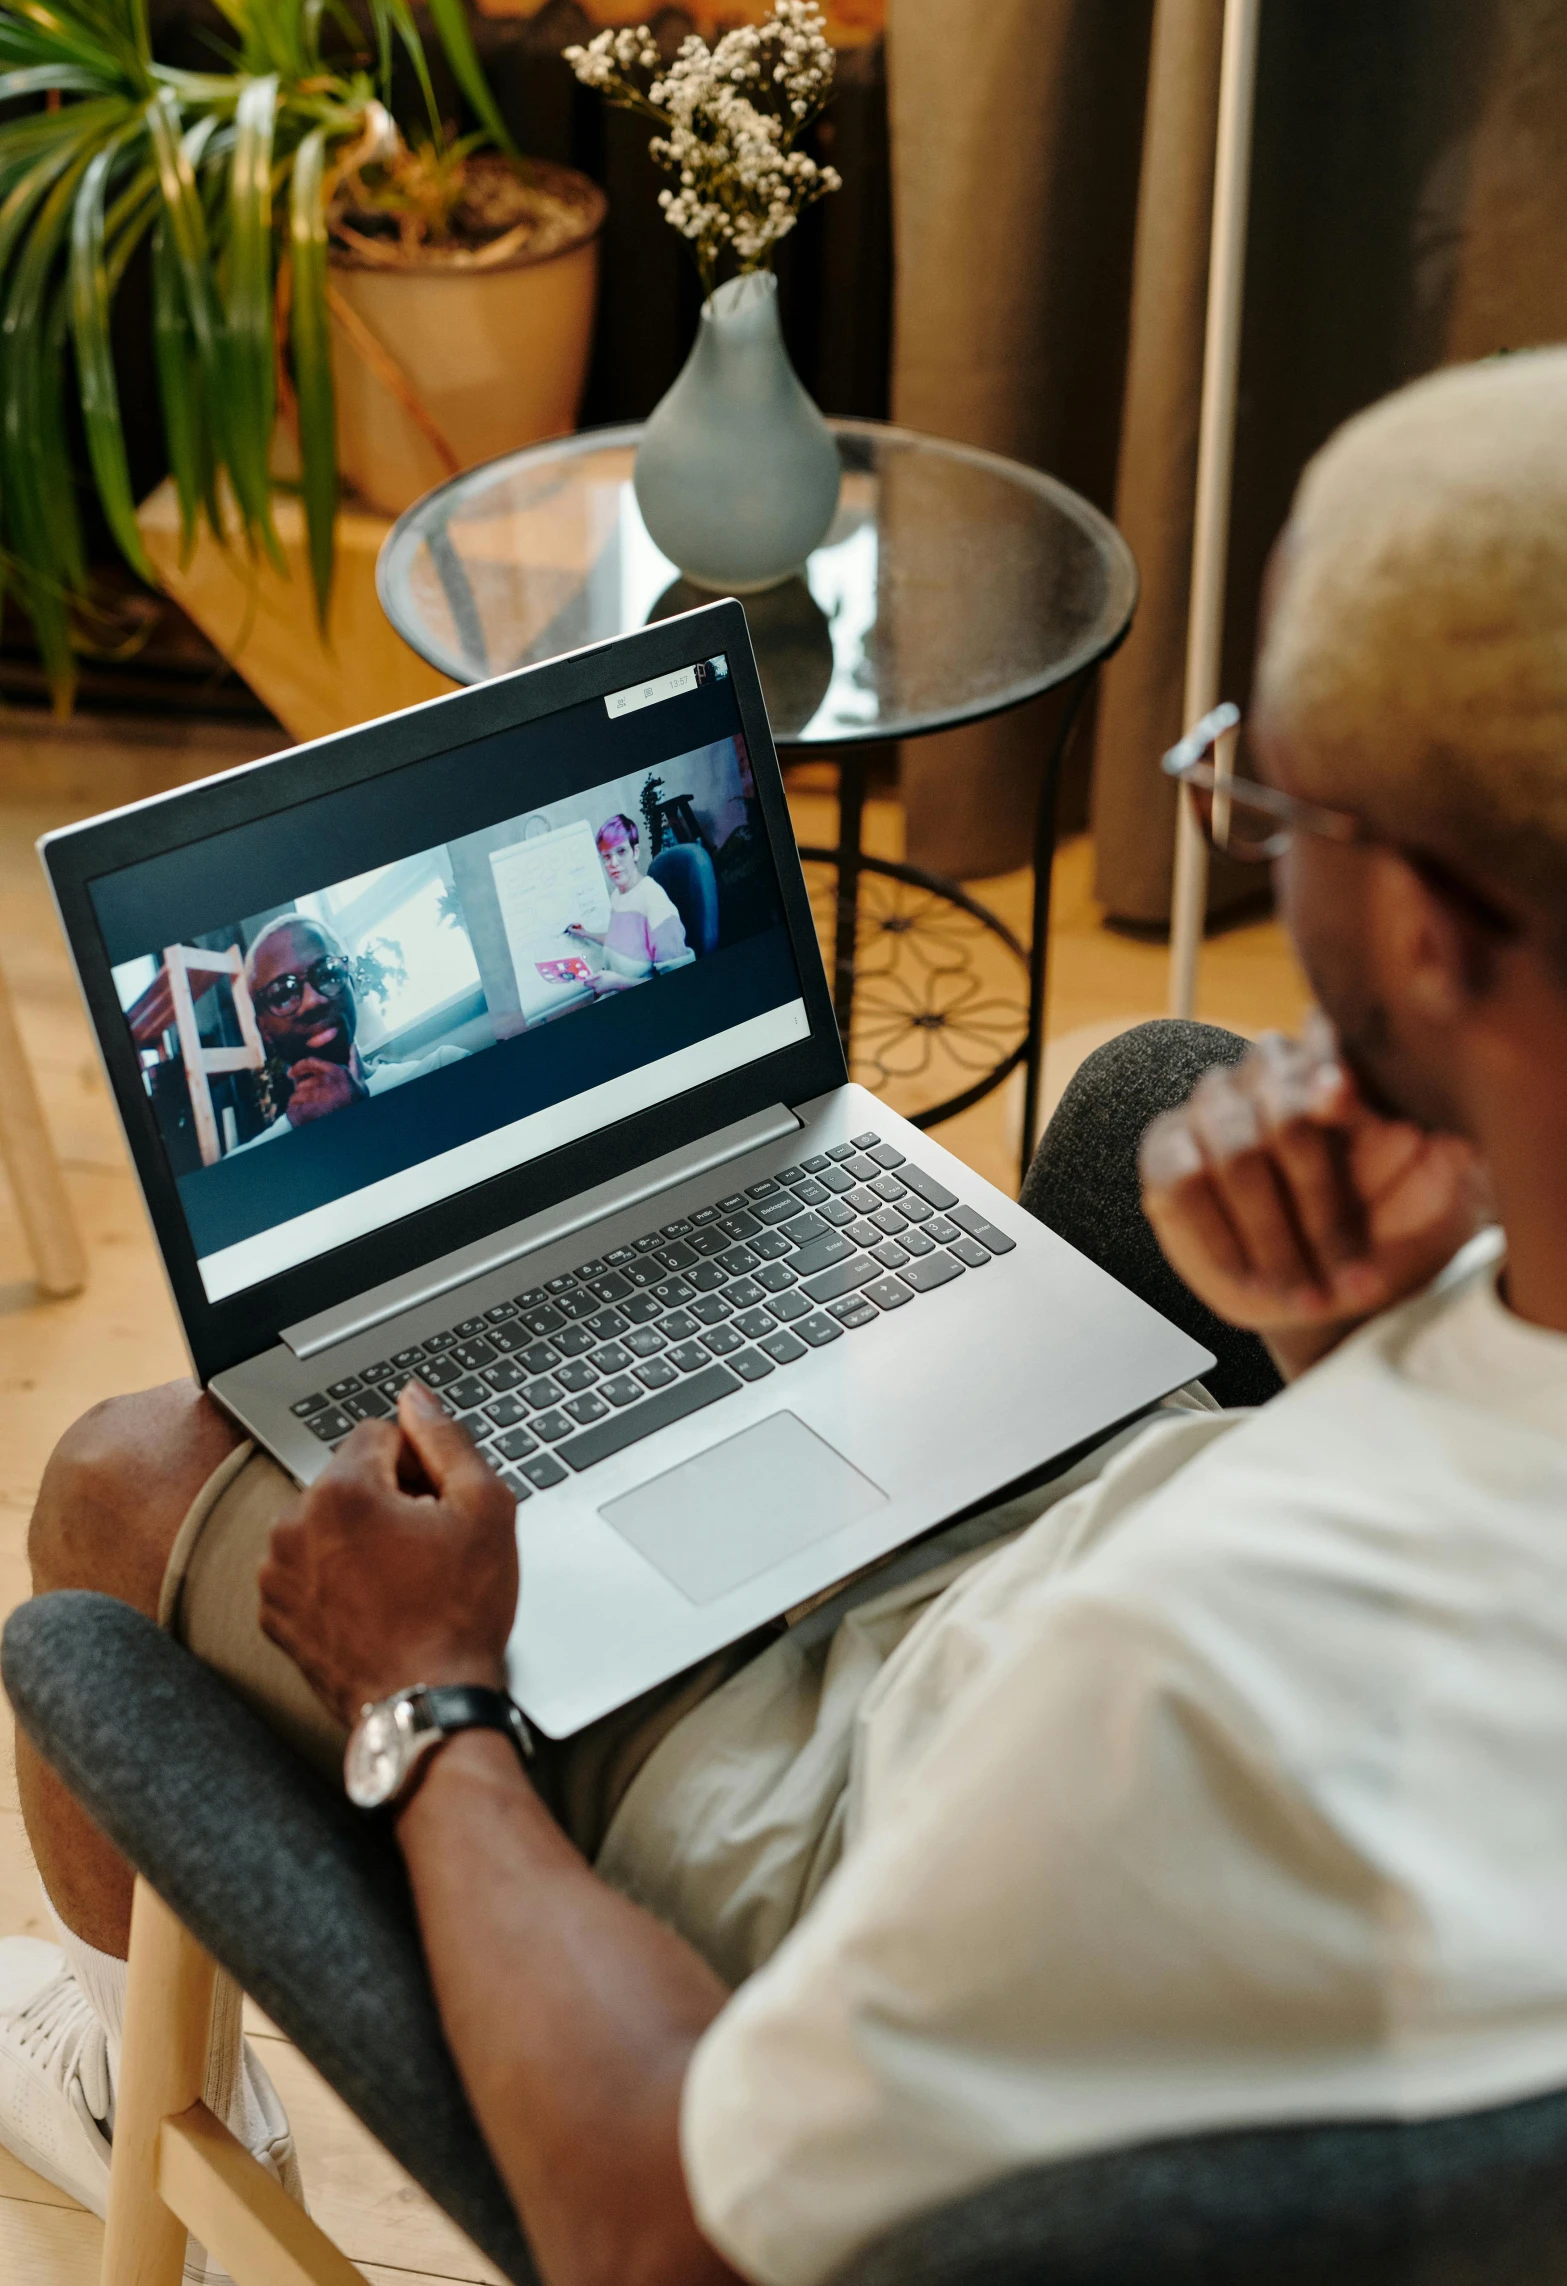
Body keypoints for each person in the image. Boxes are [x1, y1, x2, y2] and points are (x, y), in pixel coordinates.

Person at [5, 347, 1567, 2286]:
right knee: (1120, 1093)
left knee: (115, 1473)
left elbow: (662, 2236)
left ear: (1421, 923)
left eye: (1262, 790)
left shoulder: (1163, 1682)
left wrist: (436, 1695)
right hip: (1120, 1528)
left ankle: (101, 2068)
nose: (1244, 816)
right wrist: (1360, 1352)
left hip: (849, 1790)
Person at [232, 915, 468, 1149]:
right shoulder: (242, 1172)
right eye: (283, 993)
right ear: (264, 1030)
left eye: (327, 973)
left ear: (352, 984)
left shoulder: (447, 1073)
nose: (313, 1000)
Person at [565, 813, 694, 994]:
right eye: (606, 857)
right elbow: (624, 939)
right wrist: (586, 934)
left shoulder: (655, 902)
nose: (614, 863)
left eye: (621, 851)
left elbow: (678, 984)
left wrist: (618, 982)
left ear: (635, 852)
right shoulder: (618, 895)